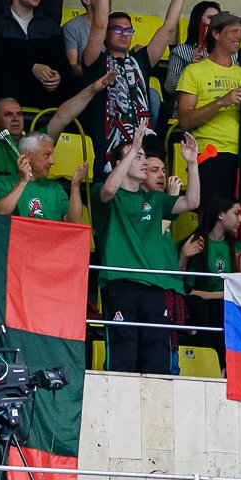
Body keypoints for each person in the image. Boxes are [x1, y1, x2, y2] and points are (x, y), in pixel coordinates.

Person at [96, 127, 199, 374]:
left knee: (157, 353)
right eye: (137, 156)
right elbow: (109, 190)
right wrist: (133, 148)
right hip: (120, 283)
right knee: (124, 351)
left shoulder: (155, 200)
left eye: (143, 156)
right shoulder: (106, 194)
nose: (144, 161)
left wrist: (192, 163)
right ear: (121, 164)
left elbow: (192, 201)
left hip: (154, 286)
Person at [80, 0, 192, 174]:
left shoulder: (140, 60)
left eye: (128, 30)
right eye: (117, 30)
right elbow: (99, 24)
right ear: (106, 35)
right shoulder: (95, 60)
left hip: (144, 150)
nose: (124, 34)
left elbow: (169, 27)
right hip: (110, 150)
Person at [175, 10, 241, 210]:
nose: (239, 36)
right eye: (233, 31)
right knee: (211, 218)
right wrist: (220, 102)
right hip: (210, 154)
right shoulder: (193, 71)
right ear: (215, 34)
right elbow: (185, 120)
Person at [182, 197, 241, 351]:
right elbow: (188, 291)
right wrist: (222, 295)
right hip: (204, 310)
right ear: (221, 214)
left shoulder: (239, 248)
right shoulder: (196, 245)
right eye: (237, 213)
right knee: (208, 308)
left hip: (229, 308)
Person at [0, 133, 88, 222]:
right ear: (27, 155)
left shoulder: (56, 189)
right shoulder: (2, 182)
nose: (52, 161)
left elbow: (74, 222)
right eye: (46, 155)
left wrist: (75, 186)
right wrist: (23, 181)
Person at [162, 0, 222, 101]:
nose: (215, 23)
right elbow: (169, 87)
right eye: (210, 18)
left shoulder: (229, 54)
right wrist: (190, 68)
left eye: (218, 19)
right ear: (198, 21)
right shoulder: (180, 51)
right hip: (190, 104)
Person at [58, 0, 104, 72]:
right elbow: (72, 67)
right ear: (86, 0)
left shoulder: (115, 23)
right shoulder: (72, 27)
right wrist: (102, 71)